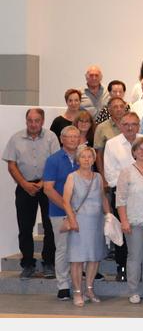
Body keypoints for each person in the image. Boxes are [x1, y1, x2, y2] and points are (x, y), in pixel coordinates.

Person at [4, 108, 60, 280]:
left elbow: (55, 162)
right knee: (25, 227)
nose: (33, 124)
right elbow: (11, 165)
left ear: (42, 121)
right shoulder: (16, 138)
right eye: (30, 120)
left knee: (50, 226)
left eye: (37, 120)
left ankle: (49, 262)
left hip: (48, 186)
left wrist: (43, 183)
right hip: (24, 185)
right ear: (26, 121)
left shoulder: (51, 137)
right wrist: (24, 184)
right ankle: (28, 264)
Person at [104, 112, 143, 282]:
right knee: (123, 233)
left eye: (133, 124)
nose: (130, 127)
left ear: (139, 125)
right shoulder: (112, 144)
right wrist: (131, 183)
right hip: (122, 196)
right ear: (120, 126)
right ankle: (121, 266)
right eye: (126, 124)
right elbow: (110, 174)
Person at [63, 145, 110, 307]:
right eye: (83, 156)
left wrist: (109, 215)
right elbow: (66, 201)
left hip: (96, 222)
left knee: (94, 258)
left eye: (89, 157)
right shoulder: (72, 177)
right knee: (77, 259)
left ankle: (89, 289)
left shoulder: (98, 177)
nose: (86, 159)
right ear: (78, 159)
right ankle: (77, 292)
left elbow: (103, 198)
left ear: (94, 159)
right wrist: (72, 220)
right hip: (79, 222)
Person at [116, 137, 143, 304]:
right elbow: (120, 199)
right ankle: (133, 290)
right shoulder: (126, 171)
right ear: (133, 152)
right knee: (134, 257)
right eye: (139, 149)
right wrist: (124, 221)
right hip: (134, 221)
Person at [42, 126, 81, 300]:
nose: (73, 140)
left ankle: (79, 284)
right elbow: (48, 189)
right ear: (61, 139)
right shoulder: (53, 160)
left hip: (82, 212)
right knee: (63, 249)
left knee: (81, 247)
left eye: (76, 137)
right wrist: (68, 208)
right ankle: (63, 285)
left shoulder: (84, 158)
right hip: (59, 212)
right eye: (69, 137)